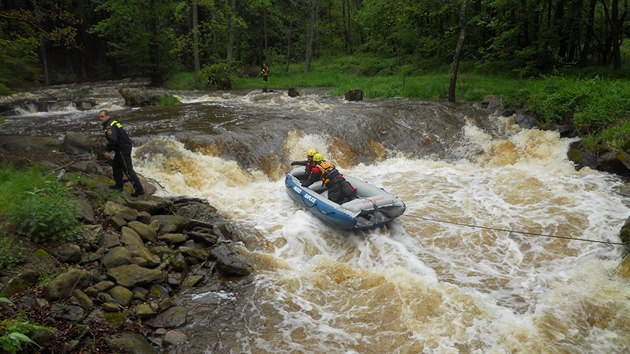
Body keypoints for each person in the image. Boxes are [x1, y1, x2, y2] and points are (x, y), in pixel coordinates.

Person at [99, 110, 145, 197]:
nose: (100, 118)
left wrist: (107, 151)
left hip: (122, 149)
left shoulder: (109, 125)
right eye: (99, 117)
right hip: (123, 147)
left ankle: (139, 190)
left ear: (107, 116)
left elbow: (113, 139)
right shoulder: (113, 122)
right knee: (116, 166)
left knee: (128, 169)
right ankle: (119, 186)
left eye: (102, 116)